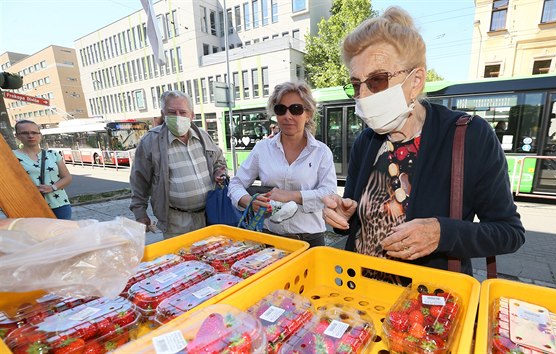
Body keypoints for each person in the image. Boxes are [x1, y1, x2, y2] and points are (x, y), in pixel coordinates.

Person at [322, 7, 525, 281]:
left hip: (425, 308)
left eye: (377, 81)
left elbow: (509, 232)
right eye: (357, 85)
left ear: (415, 81)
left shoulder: (469, 135)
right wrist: (343, 219)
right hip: (361, 295)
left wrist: (442, 233)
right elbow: (357, 224)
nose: (363, 95)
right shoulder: (366, 141)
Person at [228, 81, 337, 247]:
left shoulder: (321, 152)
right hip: (270, 239)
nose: (287, 116)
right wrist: (248, 201)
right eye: (281, 109)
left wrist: (292, 195)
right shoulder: (262, 149)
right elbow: (235, 183)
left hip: (310, 241)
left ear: (308, 114)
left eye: (296, 109)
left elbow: (329, 194)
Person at [130, 90, 227, 238]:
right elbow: (139, 180)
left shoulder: (203, 136)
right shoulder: (150, 142)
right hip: (176, 221)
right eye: (172, 112)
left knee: (211, 256)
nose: (178, 117)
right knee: (181, 259)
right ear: (163, 114)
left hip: (209, 215)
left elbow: (219, 160)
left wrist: (219, 172)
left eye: (182, 112)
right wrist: (140, 213)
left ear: (191, 115)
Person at [13, 120, 73, 219]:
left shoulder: (53, 154)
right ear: (17, 136)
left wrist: (52, 187)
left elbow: (67, 177)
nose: (30, 136)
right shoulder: (11, 157)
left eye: (34, 132)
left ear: (40, 135)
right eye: (25, 133)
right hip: (30, 206)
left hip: (59, 204)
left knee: (62, 233)